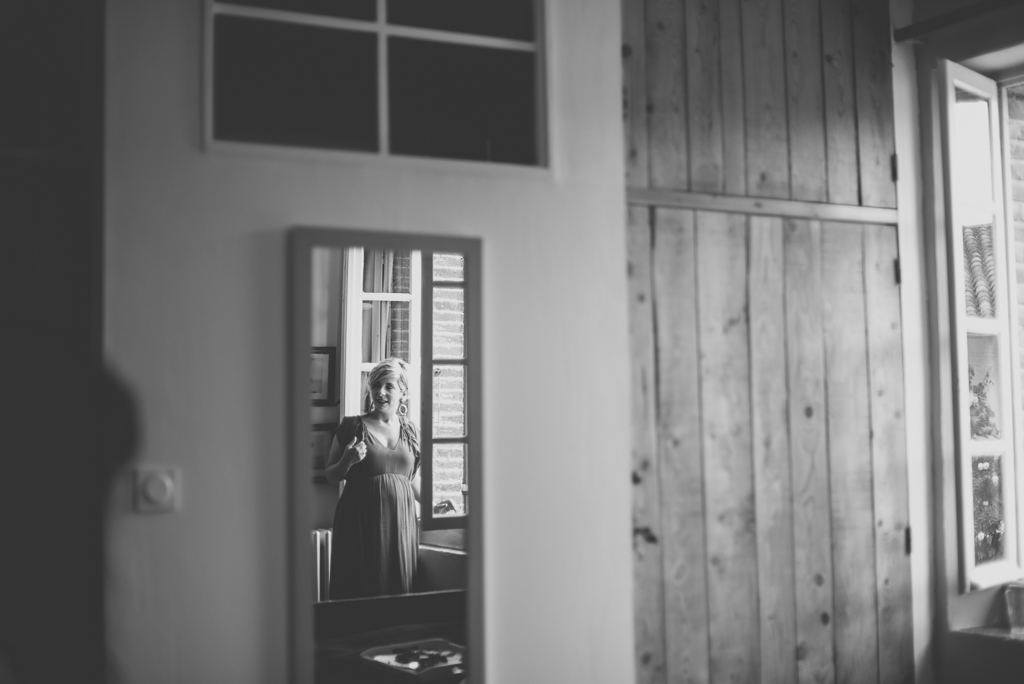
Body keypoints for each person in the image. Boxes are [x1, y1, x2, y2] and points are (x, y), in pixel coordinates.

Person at [325, 358, 420, 599]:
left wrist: (435, 506)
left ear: (403, 393)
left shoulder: (412, 432)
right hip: (359, 523)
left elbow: (412, 482)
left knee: (396, 594)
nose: (380, 392)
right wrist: (347, 460)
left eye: (389, 386)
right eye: (376, 385)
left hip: (400, 526)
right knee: (358, 588)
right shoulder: (351, 427)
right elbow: (330, 475)